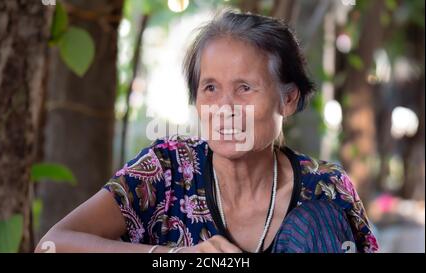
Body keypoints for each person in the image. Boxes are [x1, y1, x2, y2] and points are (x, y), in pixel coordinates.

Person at [36, 10, 378, 253]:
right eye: (210, 88)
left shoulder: (326, 188)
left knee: (316, 221)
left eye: (245, 88)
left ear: (288, 100)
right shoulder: (167, 171)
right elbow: (52, 245)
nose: (224, 109)